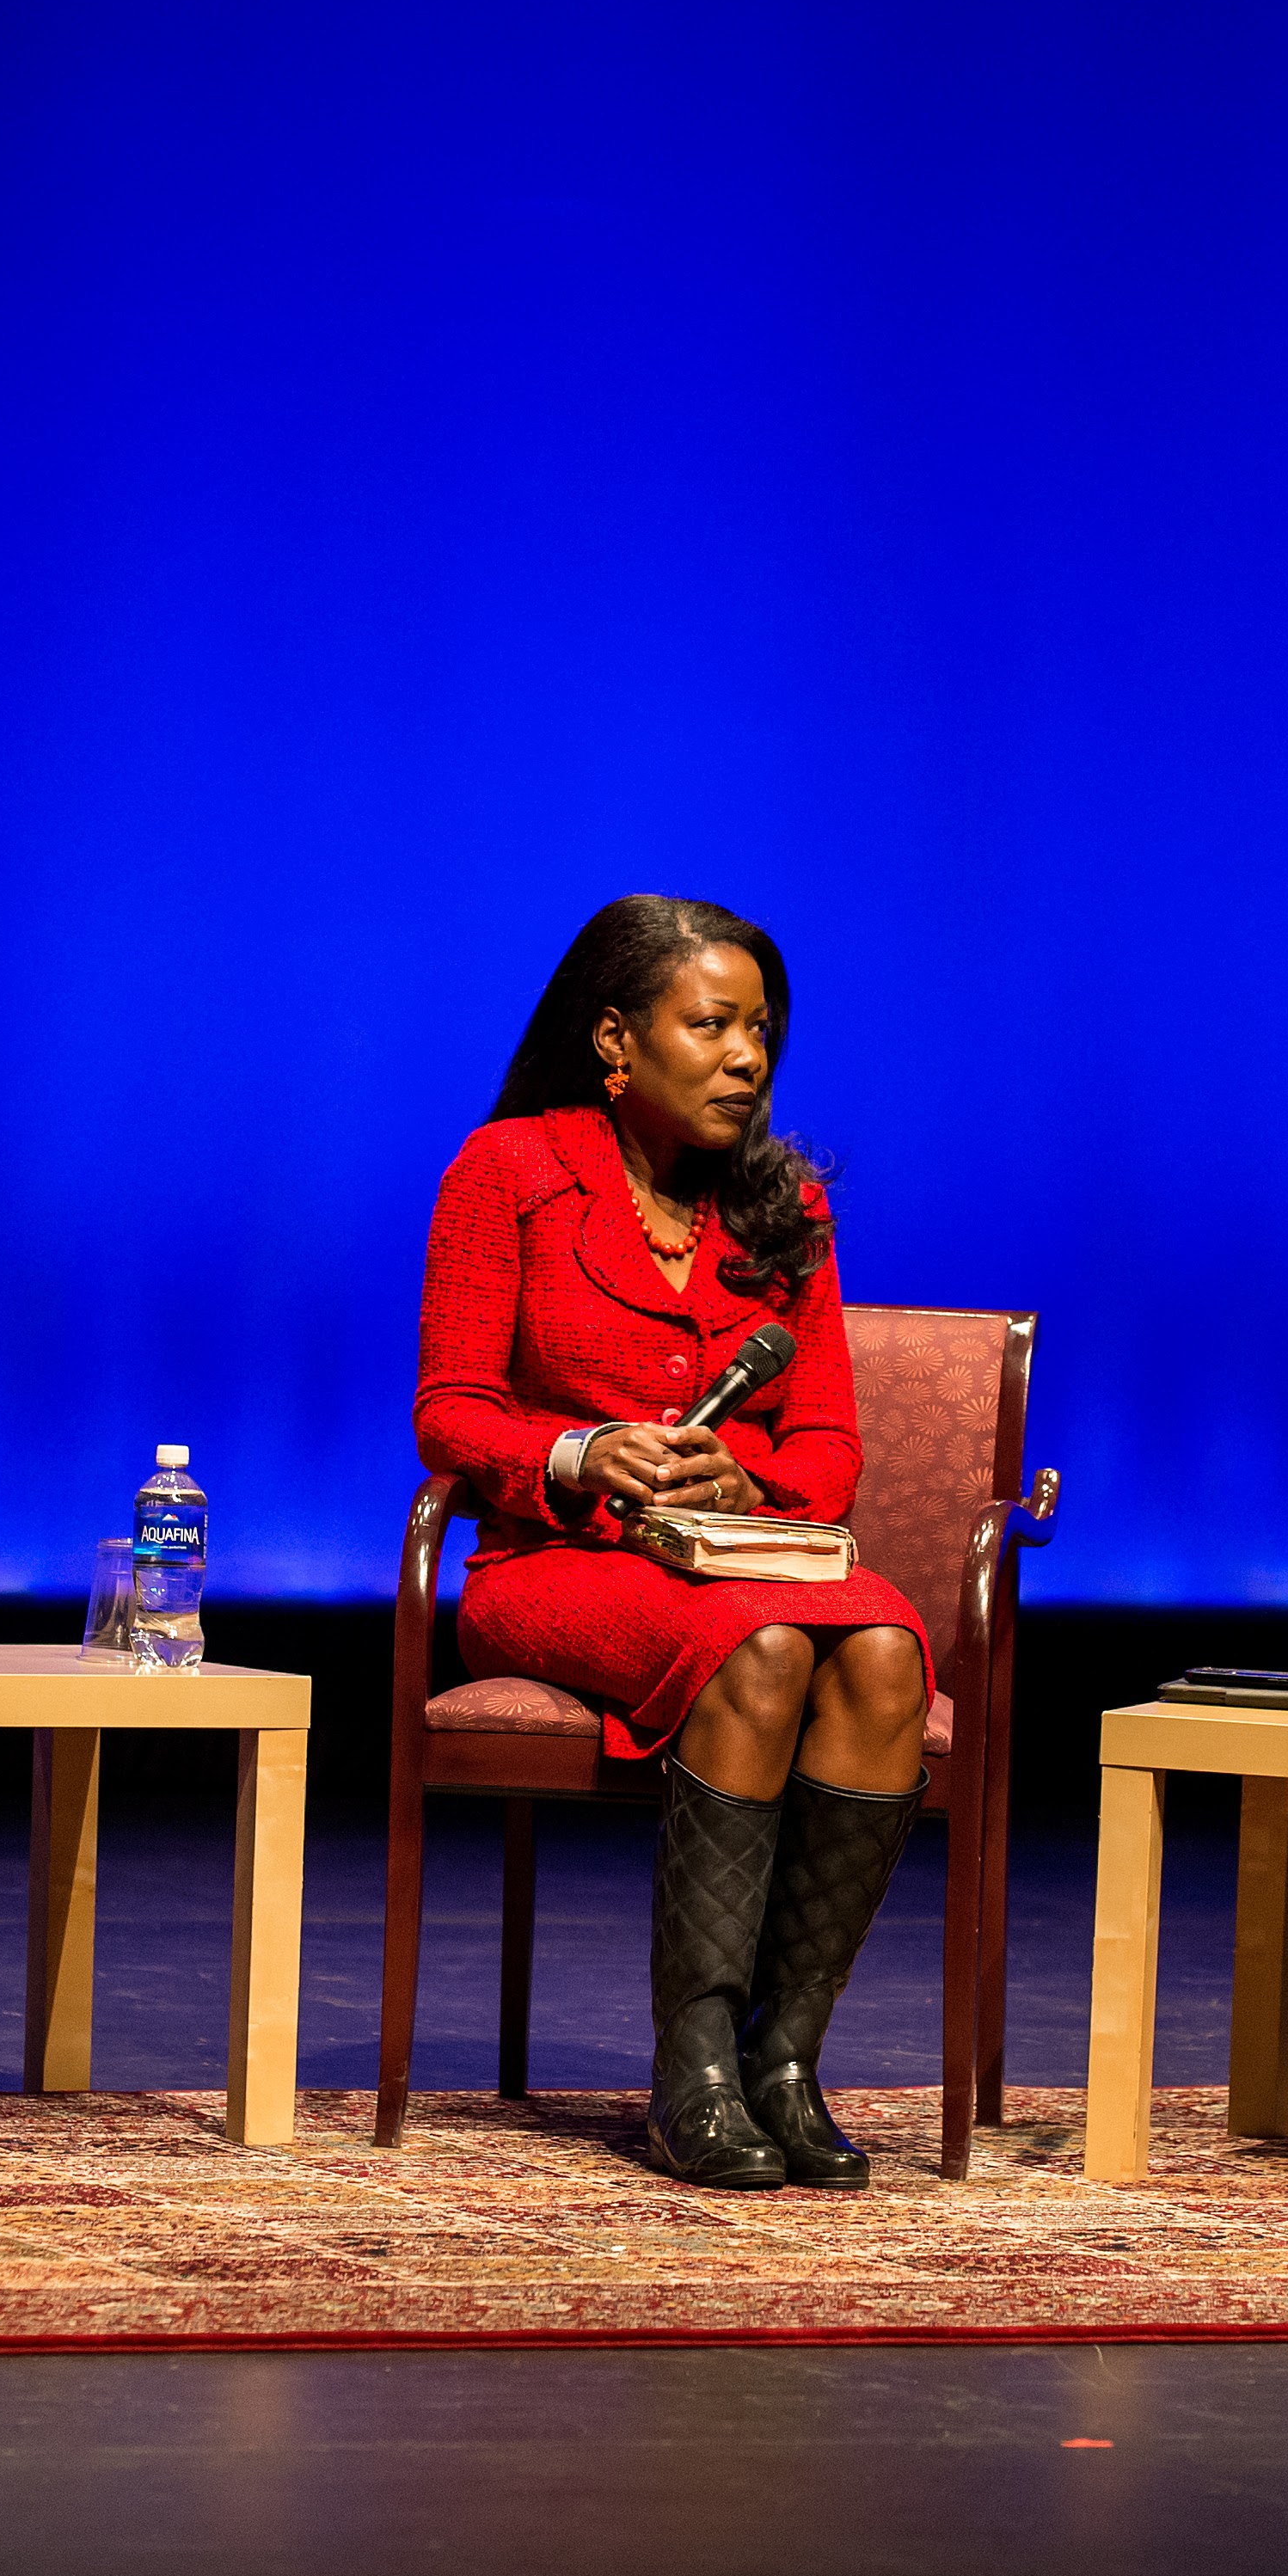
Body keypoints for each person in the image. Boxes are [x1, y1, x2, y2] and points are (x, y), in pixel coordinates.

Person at [412, 898, 936, 2189]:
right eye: (711, 1025)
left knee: (885, 1648)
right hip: (551, 1564)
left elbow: (827, 1447)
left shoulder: (784, 1209)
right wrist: (582, 1454)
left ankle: (786, 2061)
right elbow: (450, 1412)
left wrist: (741, 1471)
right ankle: (692, 2073)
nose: (747, 1056)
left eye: (761, 1029)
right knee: (759, 1655)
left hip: (735, 1557)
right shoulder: (509, 1173)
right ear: (615, 1037)